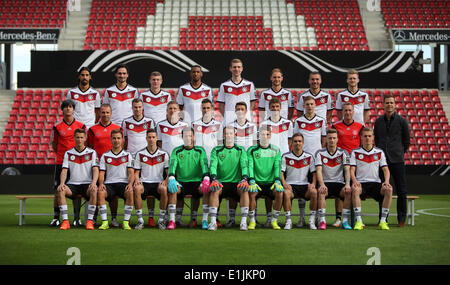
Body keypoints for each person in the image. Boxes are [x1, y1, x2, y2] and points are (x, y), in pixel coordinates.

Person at [374, 94, 410, 227]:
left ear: (395, 105)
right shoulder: (378, 122)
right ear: (383, 105)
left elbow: (407, 141)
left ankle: (401, 219)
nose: (389, 105)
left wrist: (399, 151)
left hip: (397, 160)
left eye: (391, 103)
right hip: (383, 162)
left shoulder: (402, 121)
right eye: (387, 103)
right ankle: (383, 219)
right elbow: (376, 140)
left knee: (401, 190)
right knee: (383, 189)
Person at [220, 102, 257, 227]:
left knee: (250, 189)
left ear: (246, 111)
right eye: (238, 109)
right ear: (235, 111)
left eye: (242, 109)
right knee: (233, 190)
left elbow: (255, 143)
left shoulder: (252, 126)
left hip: (249, 161)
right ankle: (231, 219)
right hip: (235, 161)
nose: (240, 111)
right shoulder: (230, 126)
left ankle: (251, 218)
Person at [50, 99, 86, 227]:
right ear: (62, 109)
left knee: (76, 191)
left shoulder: (81, 126)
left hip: (77, 162)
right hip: (61, 162)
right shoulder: (57, 126)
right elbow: (54, 144)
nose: (68, 109)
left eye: (70, 107)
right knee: (58, 189)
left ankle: (76, 218)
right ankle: (56, 218)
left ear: (73, 109)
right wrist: (63, 155)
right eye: (65, 107)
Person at [166, 127, 210, 230]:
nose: (188, 138)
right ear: (182, 137)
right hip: (181, 181)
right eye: (185, 136)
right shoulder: (177, 151)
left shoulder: (200, 150)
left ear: (194, 137)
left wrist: (206, 177)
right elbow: (172, 165)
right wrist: (171, 177)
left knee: (205, 189)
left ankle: (203, 220)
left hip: (196, 181)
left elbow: (204, 165)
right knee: (173, 189)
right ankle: (173, 220)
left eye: (190, 135)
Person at [350, 127, 393, 230]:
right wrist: (355, 181)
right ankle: (359, 221)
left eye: (369, 136)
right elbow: (351, 170)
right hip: (361, 183)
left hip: (375, 183)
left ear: (373, 137)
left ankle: (383, 221)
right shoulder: (355, 152)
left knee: (389, 189)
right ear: (361, 138)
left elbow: (386, 169)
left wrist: (386, 181)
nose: (367, 138)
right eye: (365, 136)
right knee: (355, 189)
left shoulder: (379, 152)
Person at [208, 126, 250, 231]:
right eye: (226, 133)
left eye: (231, 133)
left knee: (244, 189)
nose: (229, 136)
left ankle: (243, 223)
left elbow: (244, 166)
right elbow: (213, 166)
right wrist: (214, 178)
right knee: (214, 189)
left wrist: (244, 178)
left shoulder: (240, 150)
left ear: (234, 135)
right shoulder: (216, 150)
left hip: (236, 183)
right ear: (223, 135)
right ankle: (213, 222)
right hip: (221, 182)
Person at [259, 97, 293, 227]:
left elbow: (290, 141)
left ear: (280, 108)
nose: (274, 109)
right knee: (269, 189)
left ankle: (286, 218)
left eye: (277, 107)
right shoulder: (264, 123)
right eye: (272, 107)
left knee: (284, 189)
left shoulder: (288, 123)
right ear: (269, 108)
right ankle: (269, 217)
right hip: (269, 158)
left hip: (283, 158)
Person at [87, 103, 122, 226]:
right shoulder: (92, 129)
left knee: (114, 194)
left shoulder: (117, 128)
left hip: (113, 165)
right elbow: (90, 147)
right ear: (99, 114)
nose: (105, 115)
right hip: (98, 166)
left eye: (107, 112)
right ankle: (95, 218)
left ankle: (113, 219)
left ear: (111, 113)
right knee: (97, 191)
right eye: (103, 112)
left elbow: (122, 145)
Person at [57, 129, 99, 230]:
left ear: (85, 138)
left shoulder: (92, 152)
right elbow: (64, 171)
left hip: (87, 184)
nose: (79, 140)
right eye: (77, 137)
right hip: (73, 185)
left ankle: (89, 221)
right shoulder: (68, 153)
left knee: (94, 190)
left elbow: (95, 169)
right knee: (60, 190)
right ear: (74, 138)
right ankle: (65, 221)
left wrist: (94, 183)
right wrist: (62, 183)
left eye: (81, 137)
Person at [156, 101, 190, 226]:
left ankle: (178, 217)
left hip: (180, 162)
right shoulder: (160, 125)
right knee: (166, 189)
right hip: (165, 163)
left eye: (175, 108)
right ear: (167, 110)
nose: (172, 110)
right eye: (170, 108)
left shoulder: (185, 125)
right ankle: (165, 216)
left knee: (178, 188)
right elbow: (159, 143)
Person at [331, 102, 364, 227]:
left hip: (355, 164)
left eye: (350, 110)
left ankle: (357, 218)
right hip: (341, 163)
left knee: (355, 190)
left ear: (353, 111)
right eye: (345, 110)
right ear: (342, 112)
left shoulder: (360, 126)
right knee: (341, 190)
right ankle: (339, 218)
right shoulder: (336, 126)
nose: (348, 113)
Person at [191, 99, 222, 227]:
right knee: (200, 190)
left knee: (214, 188)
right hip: (198, 164)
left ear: (212, 109)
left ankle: (216, 218)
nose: (205, 110)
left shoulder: (218, 125)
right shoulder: (194, 124)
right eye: (203, 108)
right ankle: (194, 217)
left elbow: (220, 145)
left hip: (214, 163)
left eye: (208, 108)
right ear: (200, 109)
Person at [247, 126, 284, 230]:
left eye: (267, 134)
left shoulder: (276, 150)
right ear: (259, 136)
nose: (265, 137)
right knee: (251, 193)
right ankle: (252, 221)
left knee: (280, 193)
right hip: (257, 182)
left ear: (270, 136)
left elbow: (277, 166)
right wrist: (252, 180)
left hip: (271, 183)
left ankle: (274, 220)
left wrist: (277, 180)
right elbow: (250, 166)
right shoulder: (252, 150)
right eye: (262, 134)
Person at [97, 129, 135, 230]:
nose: (116, 140)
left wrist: (130, 184)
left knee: (130, 192)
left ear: (122, 139)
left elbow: (131, 173)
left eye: (118, 138)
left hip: (123, 183)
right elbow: (101, 173)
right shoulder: (105, 156)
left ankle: (126, 222)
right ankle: (105, 222)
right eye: (114, 138)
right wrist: (101, 183)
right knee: (100, 192)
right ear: (111, 139)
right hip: (109, 184)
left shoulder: (128, 155)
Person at [315, 129, 352, 230]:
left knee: (348, 192)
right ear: (326, 139)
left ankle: (344, 221)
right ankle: (322, 221)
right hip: (325, 182)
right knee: (321, 192)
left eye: (334, 138)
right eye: (330, 138)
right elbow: (318, 171)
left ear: (337, 139)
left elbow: (347, 169)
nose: (332, 140)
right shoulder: (319, 153)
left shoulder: (343, 153)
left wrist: (347, 184)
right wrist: (322, 184)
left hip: (339, 183)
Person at [133, 129, 170, 230]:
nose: (151, 139)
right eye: (149, 137)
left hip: (158, 183)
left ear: (157, 138)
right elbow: (136, 172)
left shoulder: (164, 154)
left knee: (164, 189)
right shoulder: (140, 154)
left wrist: (166, 181)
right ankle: (140, 220)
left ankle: (161, 220)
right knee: (136, 188)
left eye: (153, 137)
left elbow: (168, 173)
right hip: (144, 183)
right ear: (146, 138)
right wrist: (136, 180)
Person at [281, 133, 317, 230]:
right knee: (286, 193)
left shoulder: (309, 156)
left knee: (314, 192)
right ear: (292, 143)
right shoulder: (286, 156)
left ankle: (311, 221)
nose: (298, 143)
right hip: (291, 185)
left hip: (304, 185)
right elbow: (281, 173)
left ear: (303, 143)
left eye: (300, 141)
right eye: (295, 141)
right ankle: (288, 221)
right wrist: (284, 183)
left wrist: (313, 184)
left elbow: (314, 173)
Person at [217, 58, 257, 124]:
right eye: (234, 67)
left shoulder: (250, 85)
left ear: (242, 68)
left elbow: (253, 102)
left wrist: (247, 114)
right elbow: (220, 105)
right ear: (230, 68)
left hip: (245, 119)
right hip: (229, 120)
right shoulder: (224, 85)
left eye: (239, 67)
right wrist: (227, 116)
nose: (237, 69)